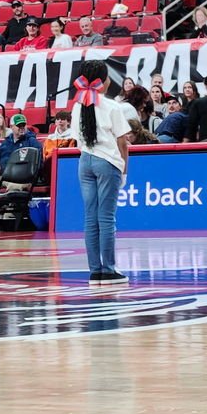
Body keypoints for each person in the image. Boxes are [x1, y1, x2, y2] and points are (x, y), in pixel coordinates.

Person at [70, 60, 132, 285]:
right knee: (106, 218)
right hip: (107, 163)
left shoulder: (77, 105)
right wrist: (124, 172)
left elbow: (77, 138)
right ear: (102, 81)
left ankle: (94, 270)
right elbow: (123, 143)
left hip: (84, 161)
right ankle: (109, 269)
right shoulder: (112, 107)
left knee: (90, 217)